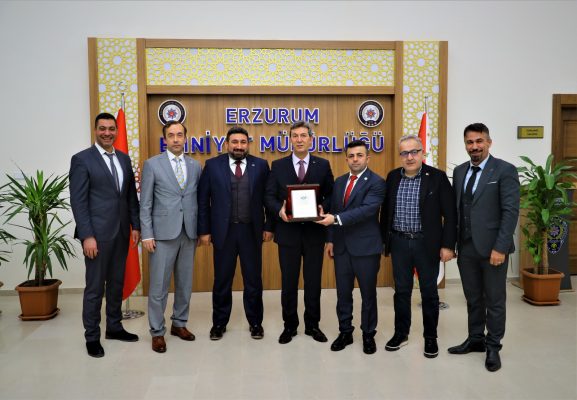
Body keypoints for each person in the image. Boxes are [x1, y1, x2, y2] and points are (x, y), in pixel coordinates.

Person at [448, 123, 519, 372]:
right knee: (473, 298)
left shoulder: (504, 170)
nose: (474, 146)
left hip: (493, 250)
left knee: (495, 300)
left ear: (489, 142)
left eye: (479, 141)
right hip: (466, 247)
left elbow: (510, 212)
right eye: (470, 142)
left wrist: (501, 247)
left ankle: (493, 347)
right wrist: (452, 244)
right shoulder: (459, 171)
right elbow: (457, 210)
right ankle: (475, 339)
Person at [69, 112, 141, 358]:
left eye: (111, 129)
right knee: (95, 288)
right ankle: (92, 337)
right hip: (97, 237)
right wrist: (87, 235)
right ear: (95, 130)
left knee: (116, 283)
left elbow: (130, 196)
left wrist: (136, 226)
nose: (107, 133)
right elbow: (78, 202)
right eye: (103, 128)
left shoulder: (123, 158)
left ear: (117, 131)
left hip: (121, 232)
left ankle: (114, 327)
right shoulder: (82, 160)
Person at [380, 134, 457, 358]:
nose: (410, 157)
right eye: (404, 153)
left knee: (429, 293)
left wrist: (448, 245)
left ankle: (430, 337)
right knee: (401, 291)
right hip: (399, 242)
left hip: (427, 244)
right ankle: (401, 333)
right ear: (400, 156)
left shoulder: (437, 177)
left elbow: (450, 215)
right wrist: (385, 242)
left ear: (422, 153)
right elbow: (386, 212)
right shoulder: (392, 177)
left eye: (414, 151)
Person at [198, 126, 273, 340]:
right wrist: (204, 230)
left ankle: (255, 323)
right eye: (235, 142)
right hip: (224, 232)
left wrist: (269, 226)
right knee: (222, 280)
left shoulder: (261, 165)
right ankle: (219, 323)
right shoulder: (212, 165)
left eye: (243, 142)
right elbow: (203, 201)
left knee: (253, 281)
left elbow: (268, 198)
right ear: (227, 144)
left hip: (251, 232)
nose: (239, 146)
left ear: (248, 144)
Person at [265, 120, 334, 344]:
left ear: (310, 139)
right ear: (290, 139)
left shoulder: (322, 165)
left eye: (303, 135)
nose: (299, 139)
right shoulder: (278, 165)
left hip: (314, 234)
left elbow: (331, 194)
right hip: (288, 234)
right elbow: (269, 196)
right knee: (289, 283)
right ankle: (290, 326)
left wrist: (323, 207)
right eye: (295, 136)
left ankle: (313, 325)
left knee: (313, 282)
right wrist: (279, 210)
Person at [316, 140, 385, 354]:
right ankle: (345, 332)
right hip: (341, 248)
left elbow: (366, 210)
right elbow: (334, 209)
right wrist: (330, 239)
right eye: (351, 156)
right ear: (346, 159)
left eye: (359, 155)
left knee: (368, 295)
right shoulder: (339, 182)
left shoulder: (376, 182)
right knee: (343, 294)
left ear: (367, 158)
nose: (355, 159)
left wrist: (335, 219)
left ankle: (368, 334)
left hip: (366, 248)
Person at [140, 120, 201, 354]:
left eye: (179, 135)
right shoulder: (152, 165)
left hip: (189, 232)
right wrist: (147, 234)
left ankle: (179, 324)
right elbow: (145, 203)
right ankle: (157, 332)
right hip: (162, 234)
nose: (176, 139)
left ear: (185, 137)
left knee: (185, 284)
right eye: (171, 135)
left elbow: (196, 199)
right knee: (159, 286)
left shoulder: (195, 166)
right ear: (165, 138)